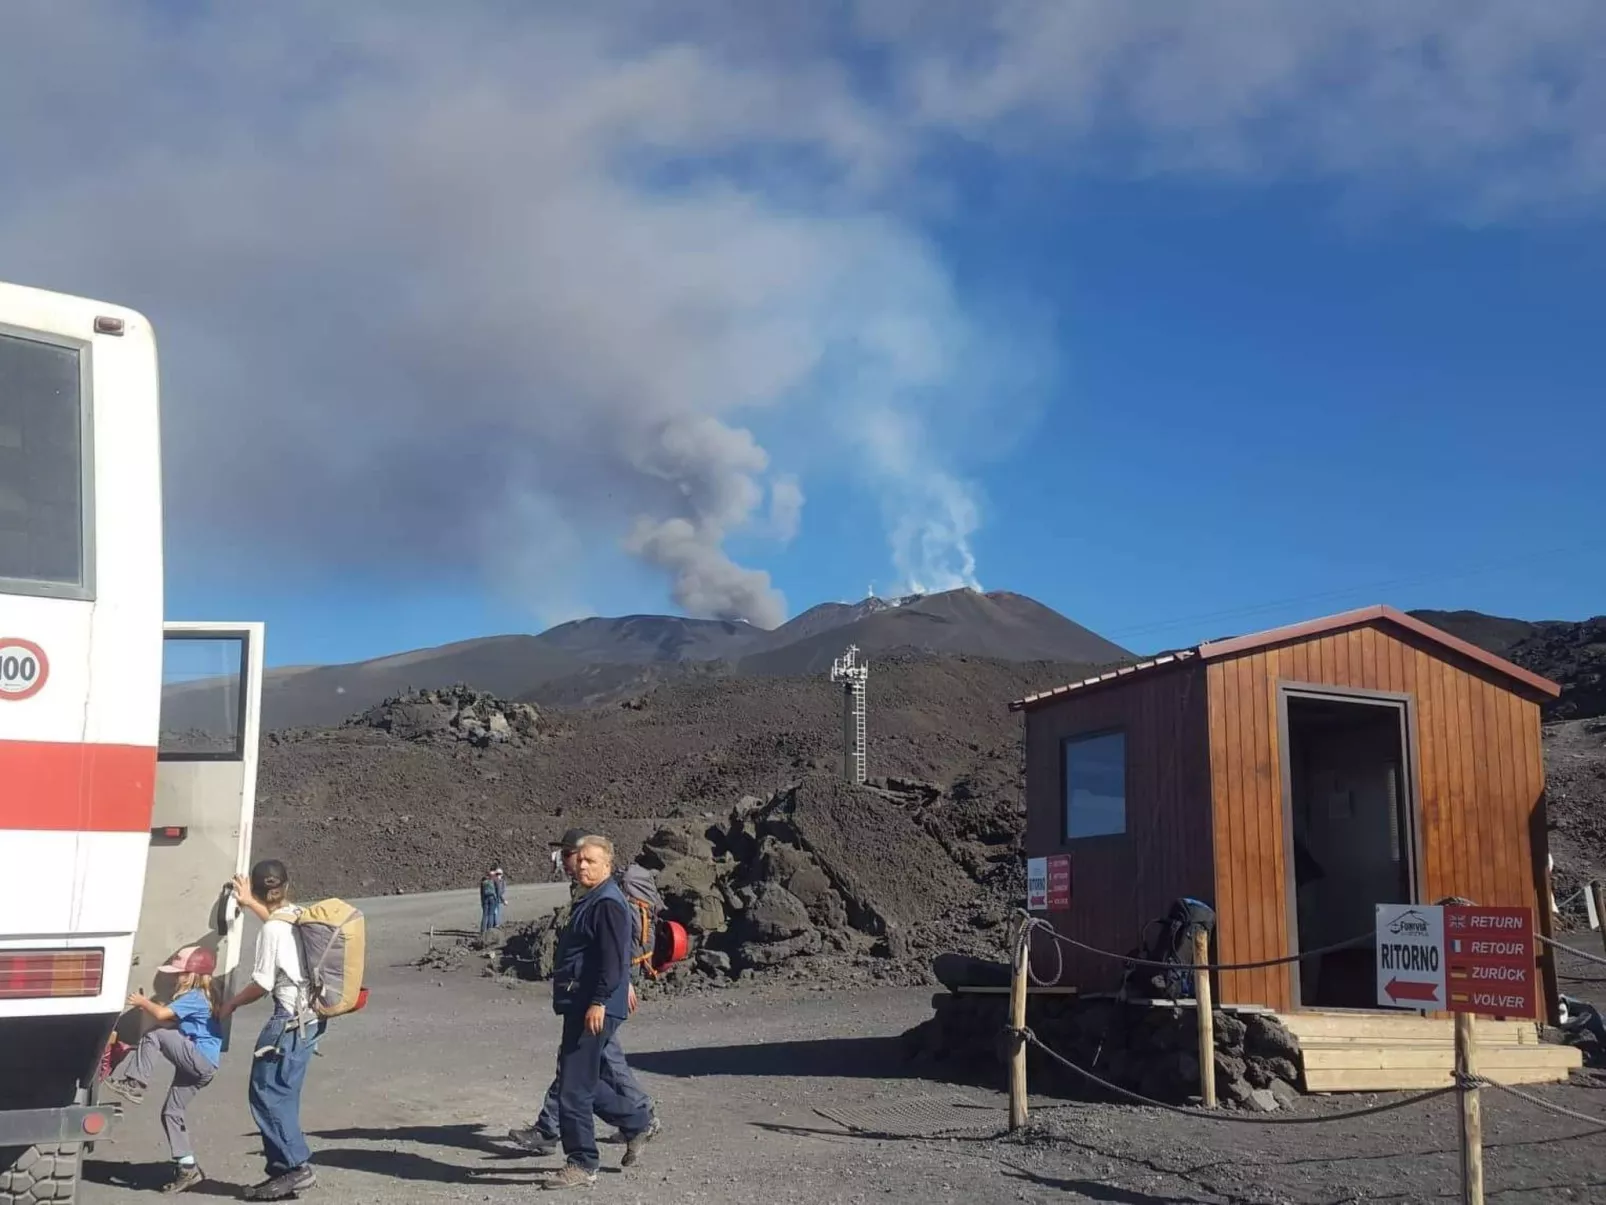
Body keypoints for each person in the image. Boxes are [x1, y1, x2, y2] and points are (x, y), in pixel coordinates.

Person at [509, 829, 655, 1158]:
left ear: (601, 862)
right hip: (589, 999)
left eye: (573, 857)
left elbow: (614, 948)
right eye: (573, 858)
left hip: (597, 1001)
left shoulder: (607, 899)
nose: (571, 863)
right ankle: (635, 1121)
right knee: (584, 1072)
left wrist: (611, 991)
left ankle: (572, 1145)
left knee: (583, 1074)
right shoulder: (587, 893)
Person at [218, 859, 323, 1202]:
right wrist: (251, 905)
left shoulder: (271, 930)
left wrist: (231, 1003)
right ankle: (284, 1170)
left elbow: (262, 982)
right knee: (283, 1093)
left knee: (266, 1094)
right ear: (288, 886)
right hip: (311, 1019)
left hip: (287, 1021)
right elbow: (277, 925)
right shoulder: (298, 914)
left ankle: (295, 1168)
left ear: (261, 891)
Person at [101, 945, 225, 1194]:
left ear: (193, 974)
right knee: (171, 1112)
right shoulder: (204, 996)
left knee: (155, 1034)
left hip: (199, 1059)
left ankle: (135, 1083)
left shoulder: (195, 997)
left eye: (180, 973)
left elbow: (161, 1013)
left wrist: (142, 1001)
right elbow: (171, 1020)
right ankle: (187, 1168)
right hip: (201, 1063)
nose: (175, 977)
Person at [480, 869, 501, 935]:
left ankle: (482, 931)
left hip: (485, 899)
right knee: (491, 914)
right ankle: (489, 931)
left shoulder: (483, 881)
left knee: (484, 915)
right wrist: (497, 899)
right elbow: (498, 890)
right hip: (492, 899)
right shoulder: (495, 879)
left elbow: (481, 892)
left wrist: (482, 901)